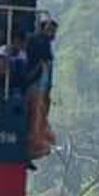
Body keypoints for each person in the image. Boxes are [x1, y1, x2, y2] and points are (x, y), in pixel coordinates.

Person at [25, 19, 58, 158]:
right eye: (49, 30)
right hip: (35, 82)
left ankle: (40, 138)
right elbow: (42, 61)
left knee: (42, 108)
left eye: (53, 31)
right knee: (37, 109)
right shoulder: (38, 41)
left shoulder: (43, 42)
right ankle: (34, 140)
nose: (52, 33)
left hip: (41, 84)